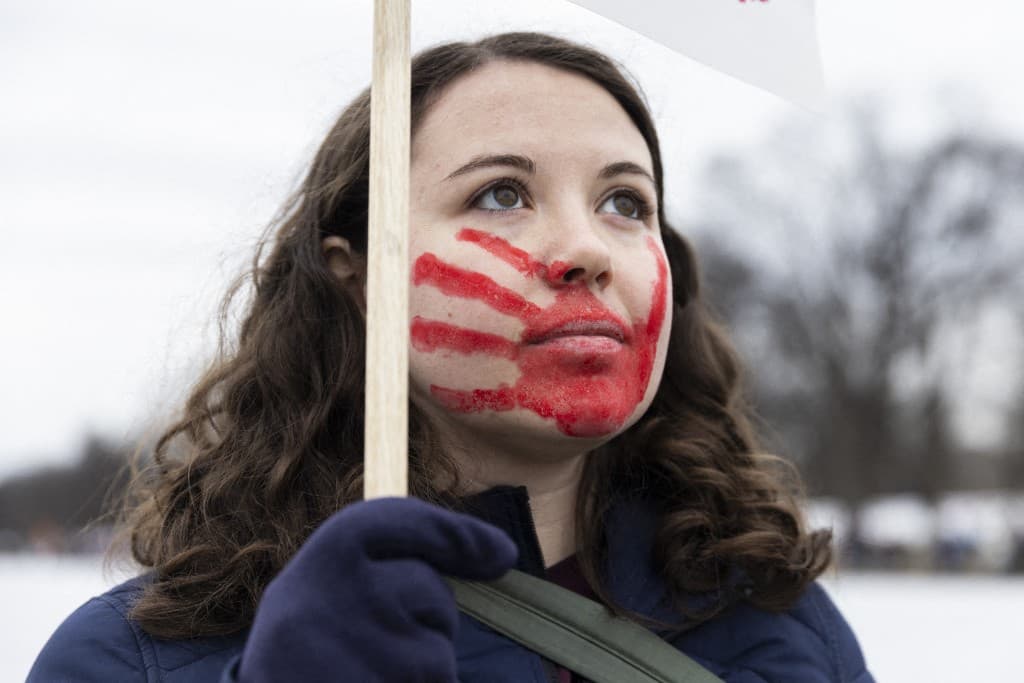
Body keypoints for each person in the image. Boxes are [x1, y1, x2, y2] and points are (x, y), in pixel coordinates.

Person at [29, 32, 874, 683]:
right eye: (500, 193)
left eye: (626, 202)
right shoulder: (129, 656)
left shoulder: (786, 625)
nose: (587, 247)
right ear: (356, 277)